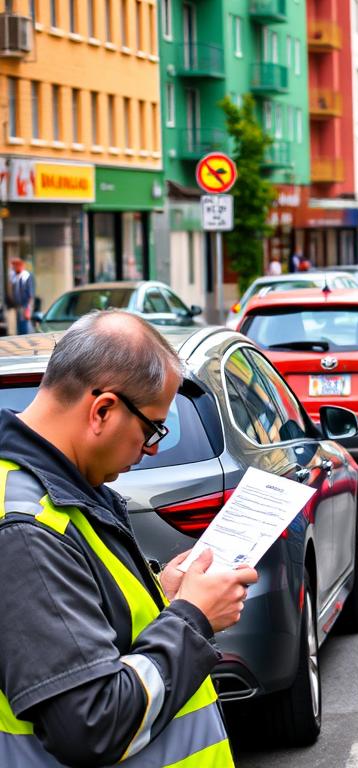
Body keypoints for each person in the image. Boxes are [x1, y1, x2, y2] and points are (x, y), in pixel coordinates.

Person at [0, 310, 258, 766]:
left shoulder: (61, 490)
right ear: (103, 410)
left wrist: (166, 595)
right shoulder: (25, 528)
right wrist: (192, 618)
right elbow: (91, 724)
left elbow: (91, 628)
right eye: (152, 427)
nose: (153, 447)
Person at [9, 257, 35, 334]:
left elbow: (31, 293)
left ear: (19, 266)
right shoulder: (15, 276)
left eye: (14, 266)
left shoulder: (26, 276)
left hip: (25, 305)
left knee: (25, 325)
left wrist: (28, 308)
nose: (13, 268)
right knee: (20, 326)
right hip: (18, 305)